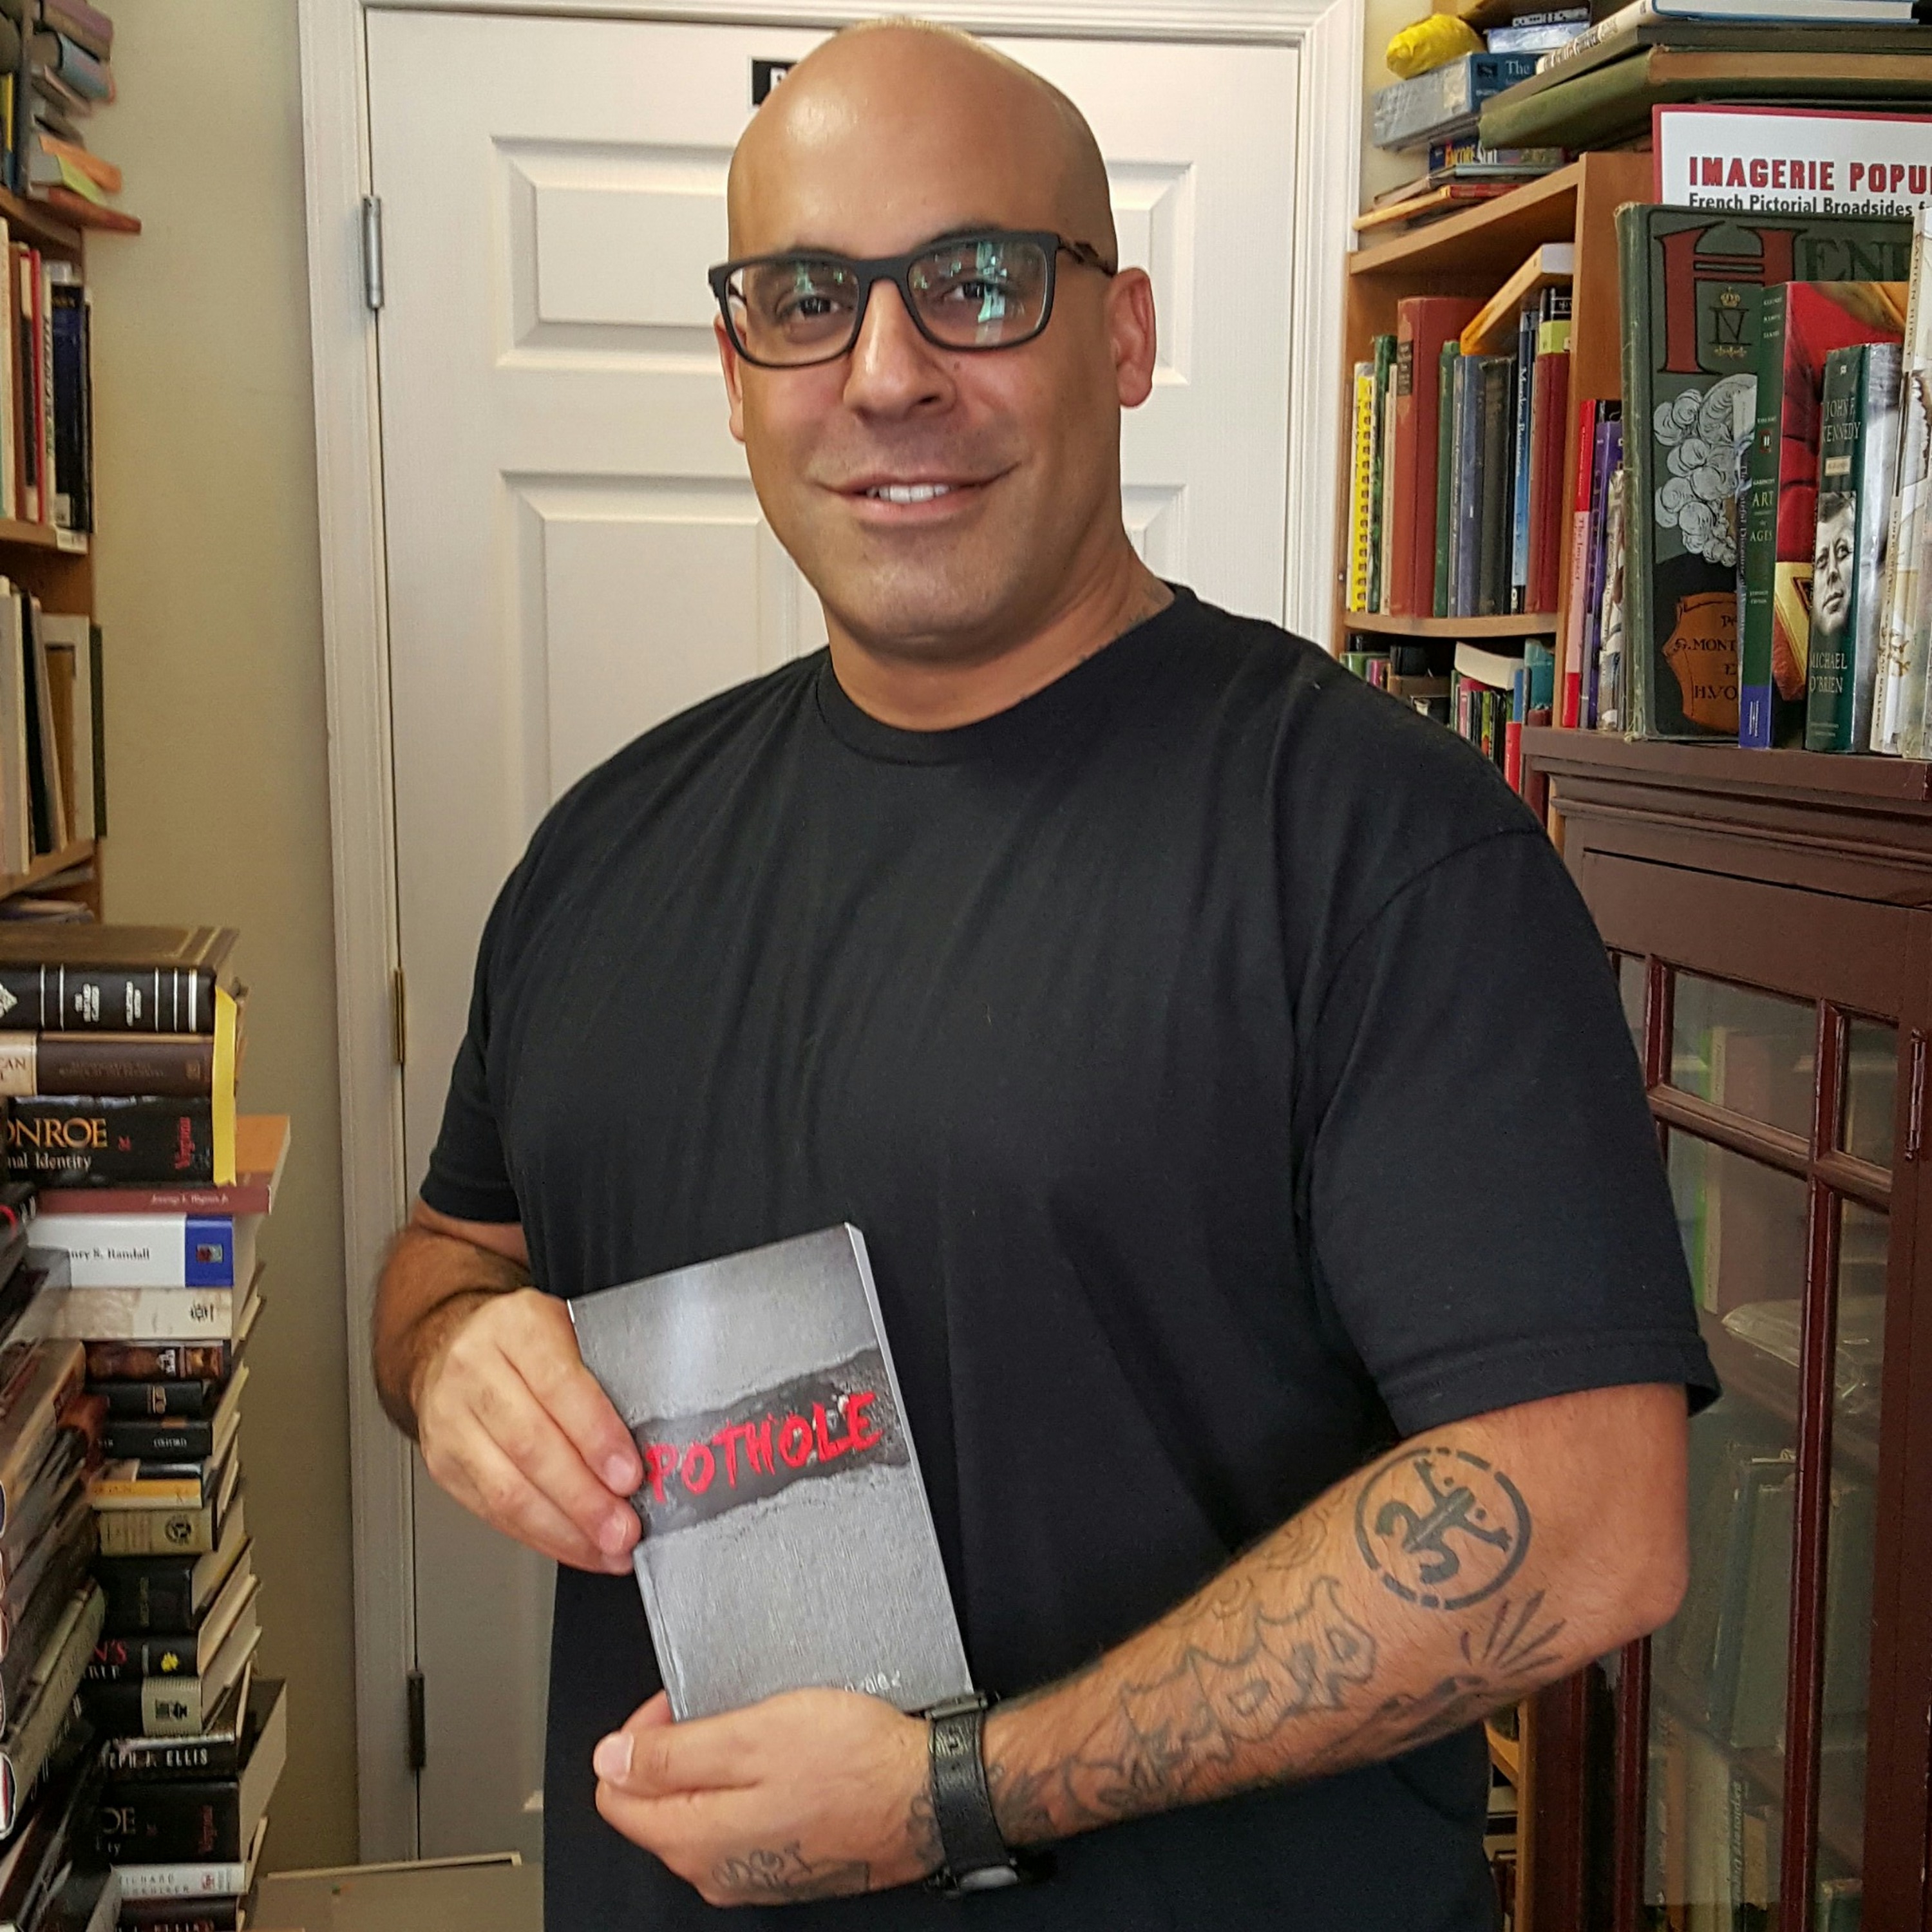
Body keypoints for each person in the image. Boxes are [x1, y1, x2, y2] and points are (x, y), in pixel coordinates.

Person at [372, 21, 1715, 1928]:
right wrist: (452, 1357)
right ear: (734, 375)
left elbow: (1588, 1524)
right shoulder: (600, 854)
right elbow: (450, 1254)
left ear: (1126, 335)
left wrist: (956, 1791)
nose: (888, 374)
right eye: (806, 301)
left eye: (980, 282)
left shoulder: (1386, 852)